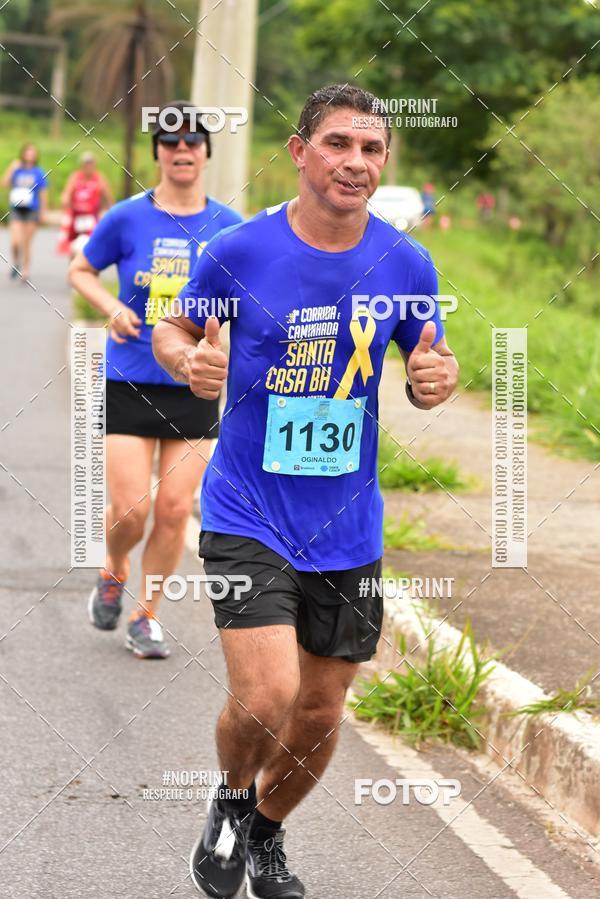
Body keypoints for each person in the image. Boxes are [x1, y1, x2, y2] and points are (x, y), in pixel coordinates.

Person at [153, 84, 459, 898]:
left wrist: (436, 380)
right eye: (337, 144)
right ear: (299, 151)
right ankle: (227, 802)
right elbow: (175, 329)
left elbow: (429, 364)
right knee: (268, 694)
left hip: (348, 524)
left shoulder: (406, 261)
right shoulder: (240, 252)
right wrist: (190, 362)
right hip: (247, 508)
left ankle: (267, 833)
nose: (354, 162)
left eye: (370, 148)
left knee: (321, 711)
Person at [69, 101, 243, 659]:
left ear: (207, 152)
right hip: (129, 378)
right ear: (159, 153)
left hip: (195, 387)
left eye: (194, 139)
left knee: (173, 509)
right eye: (171, 141)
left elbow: (255, 298)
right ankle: (114, 566)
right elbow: (80, 269)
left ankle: (146, 617)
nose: (183, 148)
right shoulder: (126, 217)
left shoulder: (229, 229)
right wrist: (109, 307)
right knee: (131, 512)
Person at [2, 143, 48, 281]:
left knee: (27, 242)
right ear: (23, 153)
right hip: (17, 208)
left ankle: (26, 269)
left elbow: (43, 193)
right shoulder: (17, 169)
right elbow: (4, 183)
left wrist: (43, 211)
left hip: (32, 209)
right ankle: (16, 262)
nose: (30, 155)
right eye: (28, 152)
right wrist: (11, 168)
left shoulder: (38, 172)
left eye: (33, 152)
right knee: (15, 241)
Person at [58, 152, 113, 256]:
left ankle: (85, 267)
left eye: (91, 164)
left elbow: (108, 198)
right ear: (82, 165)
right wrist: (65, 204)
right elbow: (66, 194)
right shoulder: (75, 177)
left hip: (91, 218)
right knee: (73, 247)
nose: (88, 167)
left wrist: (109, 213)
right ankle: (73, 268)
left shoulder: (99, 179)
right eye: (86, 164)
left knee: (89, 247)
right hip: (76, 217)